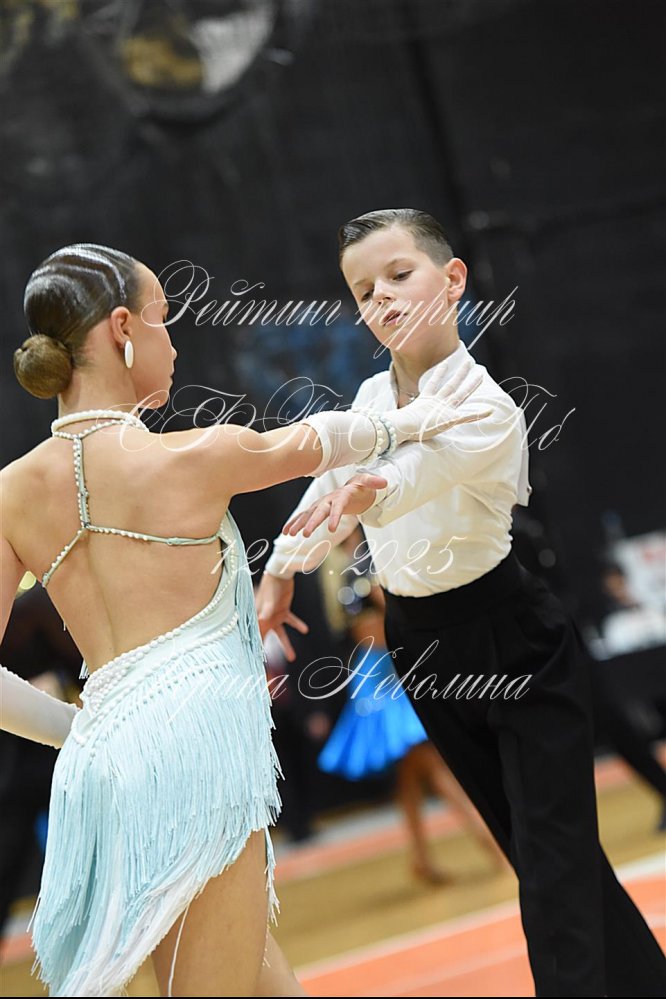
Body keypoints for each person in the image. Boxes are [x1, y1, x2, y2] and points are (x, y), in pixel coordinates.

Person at [0, 242, 488, 997]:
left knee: (252, 976)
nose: (173, 341)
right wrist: (436, 409)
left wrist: (86, 731)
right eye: (163, 319)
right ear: (122, 329)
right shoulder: (196, 455)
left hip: (108, 770)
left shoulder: (12, 491)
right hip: (196, 753)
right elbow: (332, 438)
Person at [256, 208, 666, 997]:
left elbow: (411, 475)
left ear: (452, 279)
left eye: (398, 274)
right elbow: (329, 480)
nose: (381, 297)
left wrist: (366, 489)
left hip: (513, 637)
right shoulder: (371, 395)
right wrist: (280, 568)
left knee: (552, 868)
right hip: (421, 642)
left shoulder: (488, 405)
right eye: (363, 290)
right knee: (542, 854)